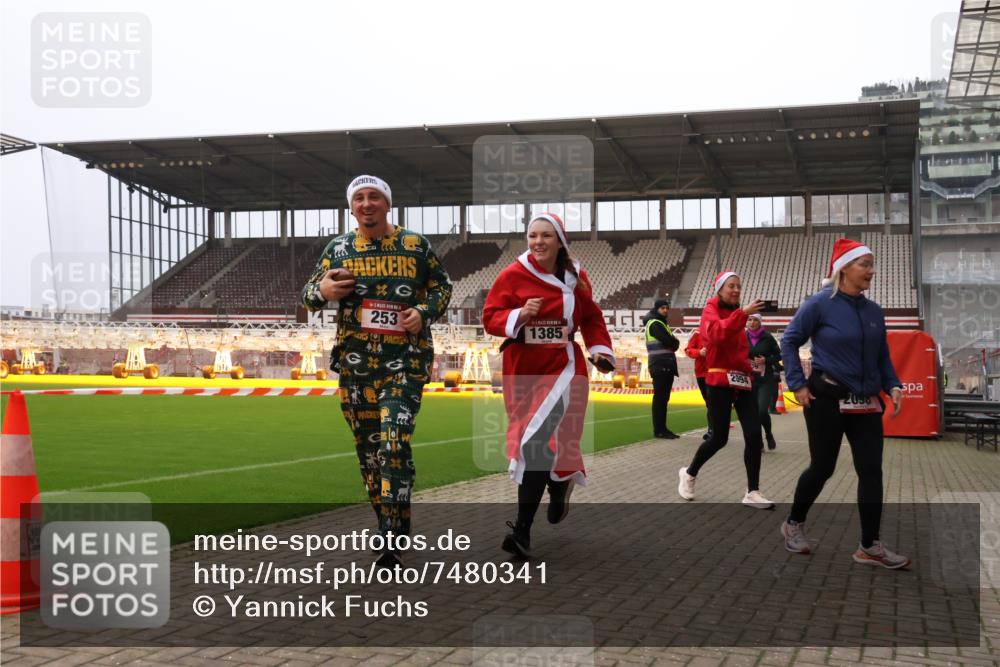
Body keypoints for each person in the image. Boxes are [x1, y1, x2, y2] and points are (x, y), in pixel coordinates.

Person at [300, 175, 452, 568]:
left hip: (405, 362)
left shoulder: (416, 246)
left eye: (374, 197)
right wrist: (323, 292)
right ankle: (388, 519)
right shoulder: (338, 249)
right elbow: (308, 294)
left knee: (393, 444)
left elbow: (442, 287)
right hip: (355, 367)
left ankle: (392, 535)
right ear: (351, 207)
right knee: (370, 454)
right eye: (359, 198)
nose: (367, 204)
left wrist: (423, 312)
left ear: (388, 203)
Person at [482, 212, 615, 558]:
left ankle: (522, 531)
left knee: (535, 442)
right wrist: (519, 315)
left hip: (564, 367)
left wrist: (600, 351)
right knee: (537, 443)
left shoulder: (577, 277)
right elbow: (490, 317)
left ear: (560, 241)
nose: (538, 242)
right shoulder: (512, 275)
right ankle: (559, 483)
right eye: (533, 236)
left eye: (546, 236)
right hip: (524, 370)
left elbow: (591, 317)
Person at [779, 238, 909, 569]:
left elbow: (882, 355)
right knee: (823, 467)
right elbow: (790, 341)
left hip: (866, 403)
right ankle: (794, 522)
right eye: (865, 264)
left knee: (871, 470)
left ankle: (869, 545)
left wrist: (893, 384)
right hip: (826, 399)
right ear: (844, 268)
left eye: (872, 264)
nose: (871, 271)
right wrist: (797, 383)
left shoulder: (874, 311)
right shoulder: (819, 304)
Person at [677, 270, 775, 509]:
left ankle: (752, 491)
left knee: (754, 435)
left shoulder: (736, 313)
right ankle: (689, 473)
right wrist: (743, 314)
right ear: (719, 289)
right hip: (719, 379)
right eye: (731, 286)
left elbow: (738, 350)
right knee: (719, 438)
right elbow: (715, 335)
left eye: (738, 286)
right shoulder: (711, 309)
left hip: (743, 380)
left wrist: (750, 368)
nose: (736, 290)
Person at [643, 299, 680, 439]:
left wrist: (674, 342)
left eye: (667, 308)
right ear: (656, 309)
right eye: (662, 308)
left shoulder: (660, 323)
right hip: (660, 365)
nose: (665, 310)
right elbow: (671, 342)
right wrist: (674, 342)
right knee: (660, 399)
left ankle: (662, 429)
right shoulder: (656, 324)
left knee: (663, 399)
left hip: (663, 365)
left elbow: (673, 343)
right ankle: (659, 430)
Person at [746, 313, 781, 450]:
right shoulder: (743, 337)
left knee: (761, 411)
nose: (752, 322)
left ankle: (768, 434)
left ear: (760, 322)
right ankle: (758, 441)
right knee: (752, 413)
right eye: (749, 320)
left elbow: (780, 355)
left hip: (765, 380)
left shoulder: (768, 337)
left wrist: (766, 360)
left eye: (755, 320)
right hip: (749, 380)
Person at [684, 328, 712, 441]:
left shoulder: (721, 330)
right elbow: (688, 350)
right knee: (709, 403)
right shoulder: (697, 333)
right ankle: (714, 429)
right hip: (702, 373)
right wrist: (699, 352)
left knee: (713, 402)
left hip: (717, 372)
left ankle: (712, 430)